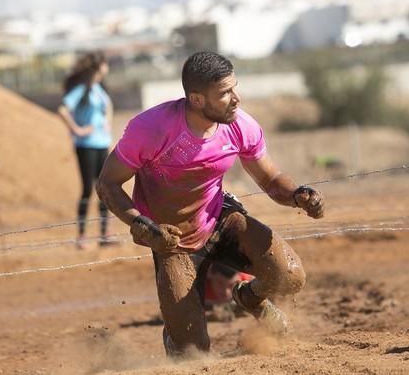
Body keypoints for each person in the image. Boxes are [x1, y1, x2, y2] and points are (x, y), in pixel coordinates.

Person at [96, 51, 324, 356]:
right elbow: (107, 183)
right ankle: (176, 336)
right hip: (172, 243)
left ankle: (250, 298)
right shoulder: (151, 129)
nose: (236, 99)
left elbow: (271, 180)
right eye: (225, 93)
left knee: (290, 275)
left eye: (234, 88)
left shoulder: (239, 125)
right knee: (192, 352)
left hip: (221, 220)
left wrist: (298, 195)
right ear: (197, 99)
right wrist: (142, 225)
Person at [58, 51, 117, 248]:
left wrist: (107, 122)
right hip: (86, 145)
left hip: (102, 143)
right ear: (98, 67)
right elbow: (63, 110)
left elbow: (107, 107)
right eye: (105, 64)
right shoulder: (82, 89)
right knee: (86, 190)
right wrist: (77, 129)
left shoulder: (99, 88)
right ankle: (81, 236)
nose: (107, 67)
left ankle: (104, 235)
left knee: (104, 189)